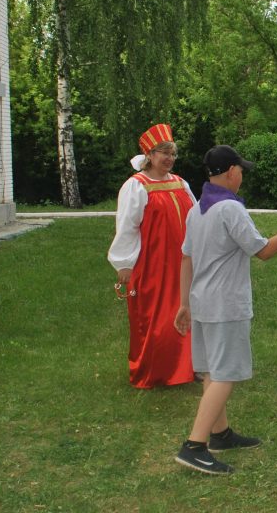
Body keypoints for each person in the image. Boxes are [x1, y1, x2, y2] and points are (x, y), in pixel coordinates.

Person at [173, 145, 277, 475]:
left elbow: (186, 258)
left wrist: (184, 303)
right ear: (230, 173)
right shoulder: (229, 210)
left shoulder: (197, 210)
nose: (241, 175)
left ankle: (219, 433)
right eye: (240, 170)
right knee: (226, 374)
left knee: (212, 369)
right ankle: (195, 445)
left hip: (202, 302)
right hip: (226, 304)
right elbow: (264, 251)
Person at [107, 123, 197, 389]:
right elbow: (127, 226)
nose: (169, 159)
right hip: (154, 262)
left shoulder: (181, 183)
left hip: (182, 261)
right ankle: (155, 371)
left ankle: (188, 367)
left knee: (188, 309)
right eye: (163, 153)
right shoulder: (136, 186)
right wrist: (123, 263)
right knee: (157, 316)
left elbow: (194, 217)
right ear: (150, 155)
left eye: (172, 153)